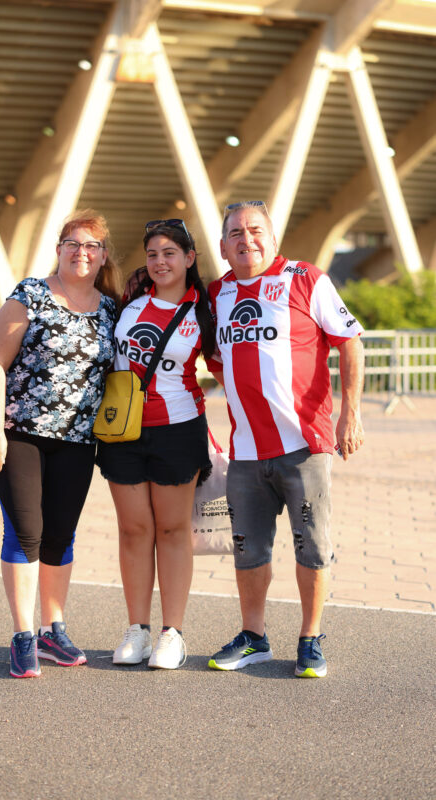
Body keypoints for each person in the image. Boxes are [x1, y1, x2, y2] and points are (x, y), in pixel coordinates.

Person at [206, 200, 364, 678]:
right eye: (236, 233)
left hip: (304, 447)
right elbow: (216, 359)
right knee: (247, 549)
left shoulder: (306, 279)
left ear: (273, 239)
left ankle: (310, 640)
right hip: (246, 453)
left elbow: (350, 342)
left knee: (311, 546)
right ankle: (253, 638)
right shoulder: (216, 294)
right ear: (223, 246)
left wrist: (351, 413)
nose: (246, 239)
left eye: (256, 230)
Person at [0, 209, 121, 678]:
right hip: (22, 435)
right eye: (73, 244)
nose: (82, 252)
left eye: (91, 246)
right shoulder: (31, 294)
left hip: (79, 441)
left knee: (61, 534)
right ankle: (23, 634)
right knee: (26, 533)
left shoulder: (110, 309)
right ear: (59, 249)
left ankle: (51, 630)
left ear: (103, 256)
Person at [96, 219, 216, 670]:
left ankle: (172, 633)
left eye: (169, 253)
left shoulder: (204, 311)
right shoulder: (128, 302)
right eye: (152, 254)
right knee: (133, 530)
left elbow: (227, 367)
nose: (159, 262)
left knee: (171, 530)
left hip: (179, 429)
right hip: (122, 430)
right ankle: (137, 630)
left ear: (189, 258)